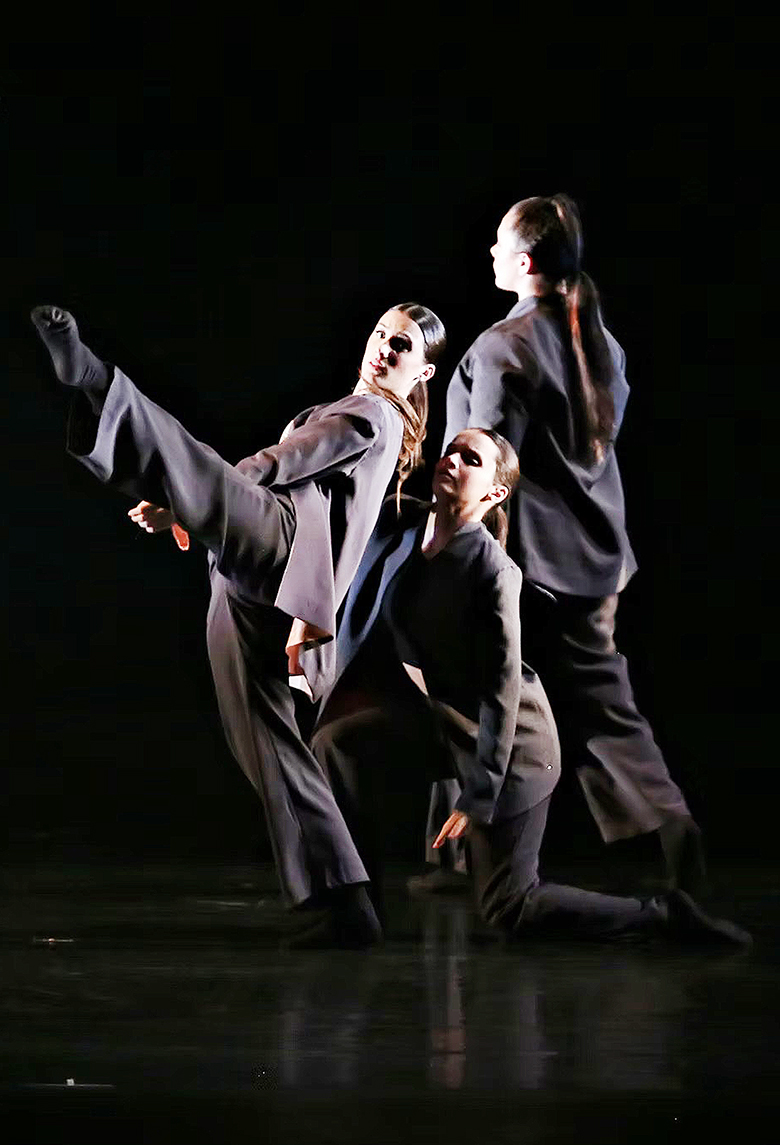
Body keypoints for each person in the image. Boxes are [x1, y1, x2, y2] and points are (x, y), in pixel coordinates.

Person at [31, 300, 445, 947]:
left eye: (402, 349)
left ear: (421, 375)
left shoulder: (370, 413)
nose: (384, 351)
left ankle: (95, 384)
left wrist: (191, 500)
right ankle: (344, 902)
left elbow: (284, 463)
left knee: (202, 470)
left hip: (279, 545)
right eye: (381, 336)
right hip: (256, 577)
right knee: (265, 742)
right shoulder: (370, 418)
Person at [310, 429, 750, 945]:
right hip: (448, 725)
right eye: (450, 449)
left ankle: (665, 917)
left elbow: (503, 692)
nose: (451, 460)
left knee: (509, 907)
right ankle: (355, 907)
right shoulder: (405, 528)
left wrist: (479, 794)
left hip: (514, 746)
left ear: (494, 493)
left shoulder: (493, 570)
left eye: (469, 459)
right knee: (336, 744)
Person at [438, 193, 706, 897]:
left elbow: (487, 463)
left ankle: (474, 857)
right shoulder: (600, 342)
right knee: (591, 708)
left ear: (524, 263)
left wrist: (459, 553)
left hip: (530, 565)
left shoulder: (505, 347)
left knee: (487, 700)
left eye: (500, 245)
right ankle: (667, 828)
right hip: (596, 561)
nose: (490, 254)